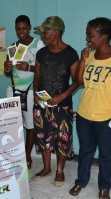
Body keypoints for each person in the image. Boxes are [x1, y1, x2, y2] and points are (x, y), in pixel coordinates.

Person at [69, 17, 111, 199]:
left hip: (107, 117)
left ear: (104, 36)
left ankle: (104, 186)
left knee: (106, 153)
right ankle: (81, 181)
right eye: (87, 35)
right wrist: (83, 60)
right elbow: (79, 81)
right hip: (84, 115)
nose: (87, 39)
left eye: (91, 35)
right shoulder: (89, 55)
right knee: (86, 150)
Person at [32, 16, 79, 187]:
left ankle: (59, 170)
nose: (43, 35)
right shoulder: (41, 53)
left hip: (62, 105)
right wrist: (36, 93)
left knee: (62, 137)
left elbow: (77, 81)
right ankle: (46, 168)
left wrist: (61, 97)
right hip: (42, 104)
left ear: (57, 32)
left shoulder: (70, 54)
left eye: (46, 32)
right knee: (43, 136)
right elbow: (36, 77)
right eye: (42, 32)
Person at [4, 15, 44, 170]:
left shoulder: (38, 44)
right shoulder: (12, 47)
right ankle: (15, 155)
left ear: (29, 27)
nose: (21, 32)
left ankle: (27, 156)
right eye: (18, 29)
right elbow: (8, 72)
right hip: (12, 88)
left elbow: (43, 68)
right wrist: (7, 67)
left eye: (24, 28)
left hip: (30, 88)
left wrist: (28, 67)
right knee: (12, 124)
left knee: (29, 124)